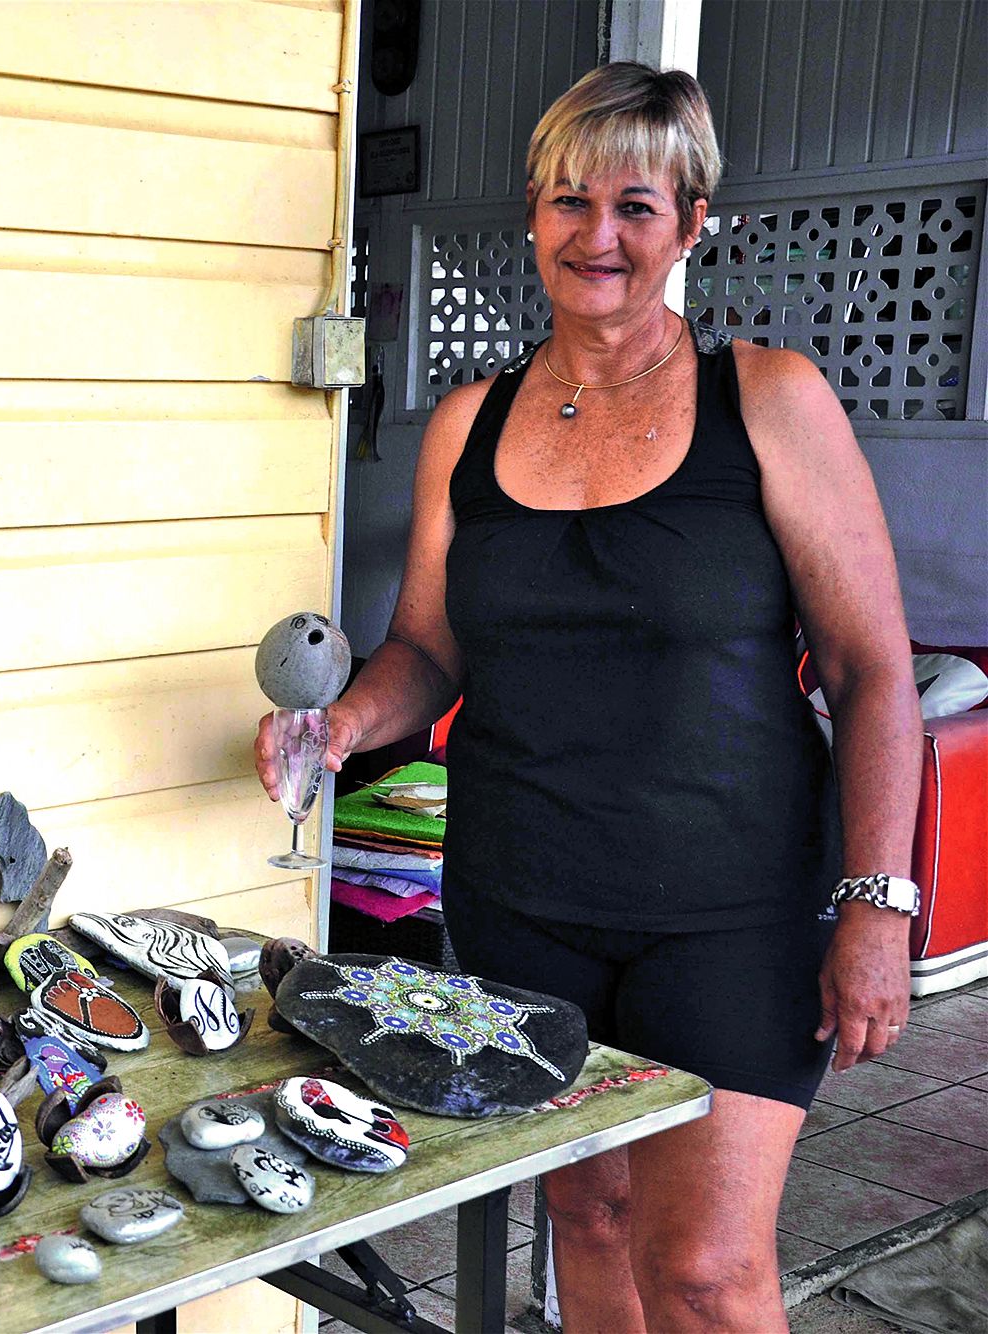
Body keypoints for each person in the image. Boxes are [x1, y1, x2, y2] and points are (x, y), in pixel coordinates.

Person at [256, 63, 922, 1333]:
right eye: (568, 201)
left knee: (708, 1273)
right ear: (530, 214)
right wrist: (339, 723)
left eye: (634, 204)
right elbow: (427, 650)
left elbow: (870, 668)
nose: (597, 235)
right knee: (587, 1224)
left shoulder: (768, 402)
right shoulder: (470, 420)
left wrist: (874, 905)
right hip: (522, 906)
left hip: (731, 912)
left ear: (691, 220)